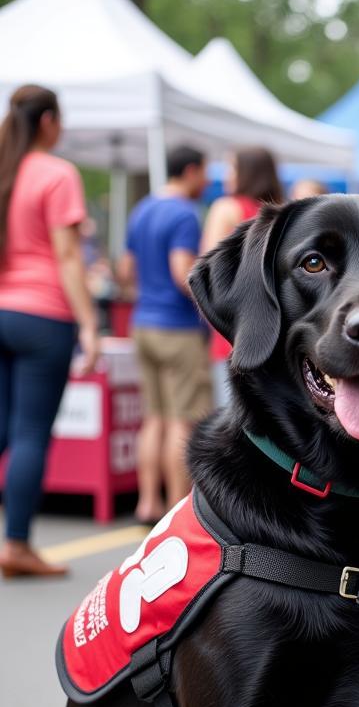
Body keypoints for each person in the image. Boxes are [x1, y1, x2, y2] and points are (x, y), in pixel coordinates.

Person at [0, 85, 99, 578]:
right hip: (43, 317)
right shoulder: (58, 174)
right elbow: (66, 257)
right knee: (29, 435)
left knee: (3, 430)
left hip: (2, 309)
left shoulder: (4, 171)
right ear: (47, 123)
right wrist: (88, 324)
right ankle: (16, 544)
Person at [118, 145, 210, 526]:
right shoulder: (185, 214)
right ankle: (174, 507)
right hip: (178, 328)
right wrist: (210, 294)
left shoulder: (142, 209)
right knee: (181, 419)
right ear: (190, 171)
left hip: (143, 323)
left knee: (154, 417)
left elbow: (125, 270)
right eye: (204, 172)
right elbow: (181, 270)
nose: (205, 181)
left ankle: (146, 502)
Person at [201, 146, 283, 406]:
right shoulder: (282, 216)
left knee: (233, 417)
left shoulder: (226, 208)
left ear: (248, 172)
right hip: (273, 333)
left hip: (234, 331)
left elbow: (210, 270)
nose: (226, 175)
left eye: (232, 168)